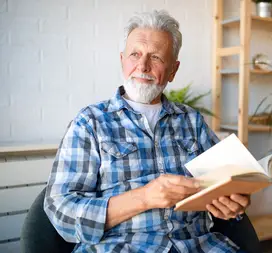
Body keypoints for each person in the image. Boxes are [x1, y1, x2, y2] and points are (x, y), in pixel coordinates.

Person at [44, 10, 250, 253]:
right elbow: (61, 211)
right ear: (122, 60)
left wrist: (235, 201)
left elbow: (228, 184)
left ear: (173, 69)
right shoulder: (90, 123)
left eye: (156, 58)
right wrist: (144, 197)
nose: (142, 66)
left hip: (198, 245)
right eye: (135, 54)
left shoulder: (192, 121)